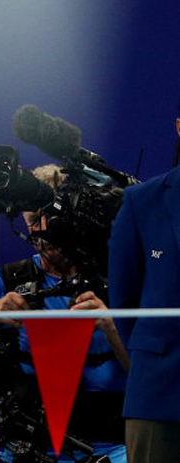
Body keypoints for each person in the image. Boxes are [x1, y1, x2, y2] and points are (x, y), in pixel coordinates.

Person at [0, 164, 129, 462]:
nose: (40, 231)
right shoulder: (8, 281)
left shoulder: (119, 279)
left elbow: (152, 375)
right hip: (24, 452)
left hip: (111, 452)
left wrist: (111, 327)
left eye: (48, 218)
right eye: (32, 221)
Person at [107, 117, 180, 463]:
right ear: (179, 126)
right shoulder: (141, 201)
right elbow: (123, 300)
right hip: (158, 395)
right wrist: (152, 356)